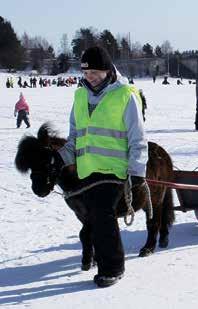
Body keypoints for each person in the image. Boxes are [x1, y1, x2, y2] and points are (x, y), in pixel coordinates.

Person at [57, 46, 148, 288]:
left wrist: (137, 171)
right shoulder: (79, 96)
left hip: (114, 170)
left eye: (95, 72)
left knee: (101, 214)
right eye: (86, 73)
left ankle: (113, 268)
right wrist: (61, 158)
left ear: (107, 70)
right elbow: (75, 136)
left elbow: (137, 137)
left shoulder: (125, 95)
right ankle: (99, 257)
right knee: (92, 217)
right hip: (87, 171)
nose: (90, 77)